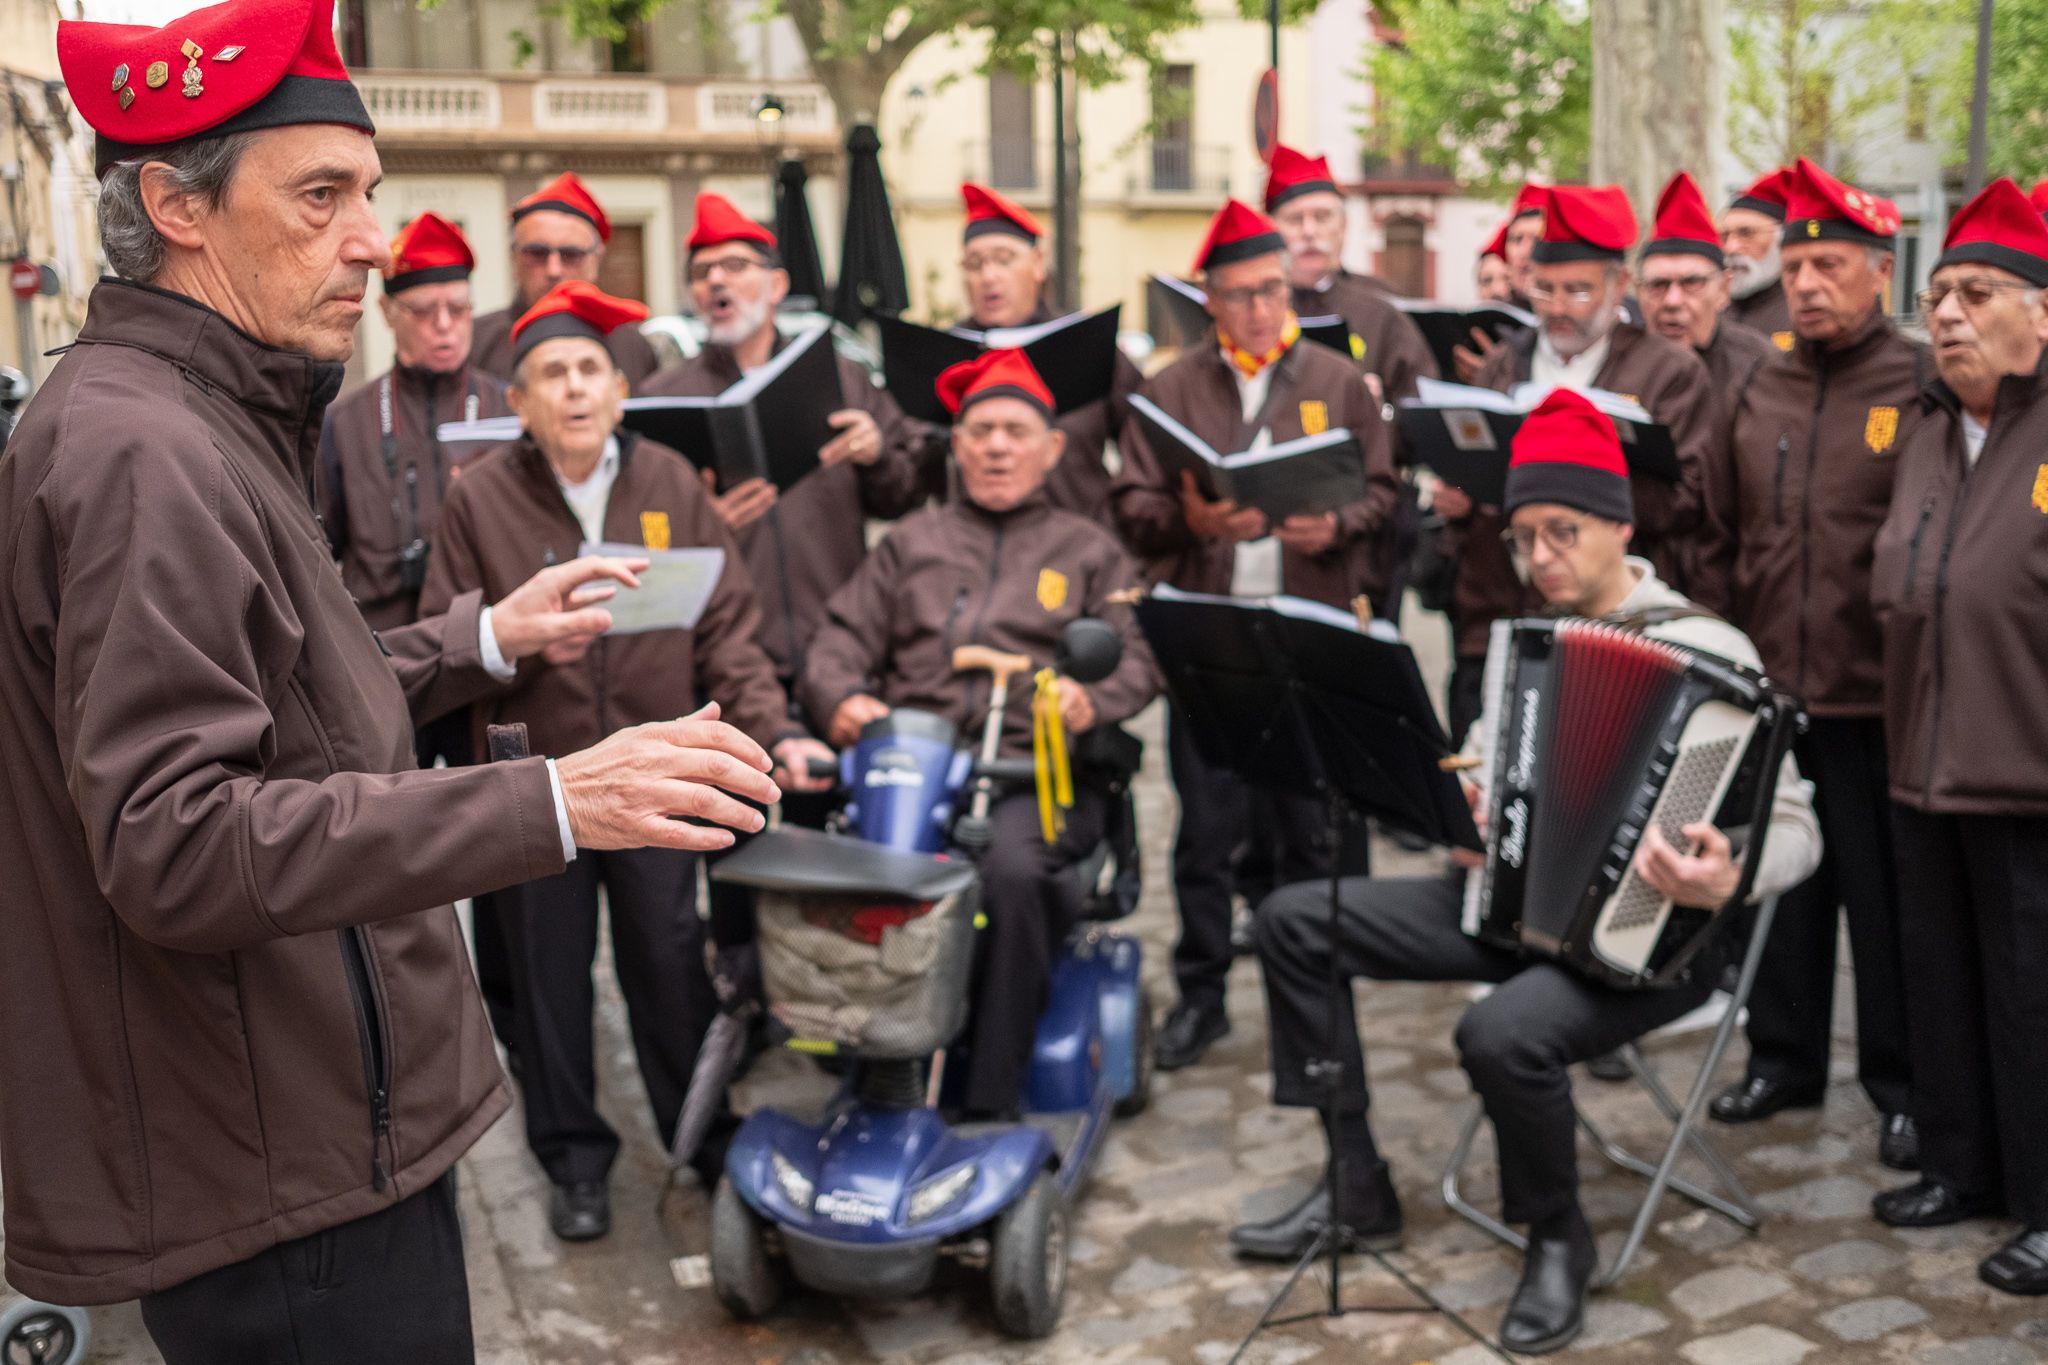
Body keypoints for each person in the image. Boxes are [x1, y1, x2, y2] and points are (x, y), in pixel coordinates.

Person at [5, 6, 782, 1360]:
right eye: (324, 196)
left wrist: (486, 638)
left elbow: (288, 694)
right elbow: (176, 840)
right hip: (275, 1154)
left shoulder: (194, 410)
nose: (374, 237)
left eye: (369, 193)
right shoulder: (143, 447)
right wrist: (550, 799)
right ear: (176, 207)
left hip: (297, 1121)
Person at [1231, 389, 1822, 1355]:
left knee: (1498, 1031)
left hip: (1650, 947)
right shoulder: (1522, 651)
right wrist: (1468, 813)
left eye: (1562, 533)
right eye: (1523, 538)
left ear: (1620, 527)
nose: (1540, 557)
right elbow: (1485, 780)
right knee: (1298, 917)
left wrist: (1730, 872)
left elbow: (1799, 828)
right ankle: (1355, 1182)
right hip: (1509, 910)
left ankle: (1558, 1235)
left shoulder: (1711, 651)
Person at [419, 280, 835, 1244]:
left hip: (655, 772)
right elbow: (445, 643)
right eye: (550, 374)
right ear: (517, 404)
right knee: (550, 978)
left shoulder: (670, 484)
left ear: (619, 391)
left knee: (667, 961)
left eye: (590, 370)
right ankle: (573, 1161)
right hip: (534, 784)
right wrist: (523, 647)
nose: (573, 388)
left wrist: (768, 730)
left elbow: (731, 626)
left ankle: (697, 1136)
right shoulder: (479, 499)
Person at [800, 349, 1160, 1117]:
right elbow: (837, 639)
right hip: (915, 767)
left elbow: (1139, 654)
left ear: (1053, 448)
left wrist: (1093, 701)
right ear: (956, 447)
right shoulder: (909, 542)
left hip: (1035, 774)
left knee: (1010, 875)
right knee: (850, 872)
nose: (997, 446)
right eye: (981, 430)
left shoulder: (1089, 549)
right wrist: (841, 700)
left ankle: (990, 1100)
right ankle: (871, 1067)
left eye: (1016, 431)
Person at [1112, 197, 1399, 1071]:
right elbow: (1131, 505)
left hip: (1306, 631)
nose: (1262, 310)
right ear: (1208, 299)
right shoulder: (1169, 389)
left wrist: (1338, 525)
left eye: (1273, 291)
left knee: (1307, 824)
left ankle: (1309, 993)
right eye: (1241, 295)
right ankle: (1201, 995)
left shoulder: (1337, 380)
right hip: (1211, 637)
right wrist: (1192, 519)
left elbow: (1385, 491)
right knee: (1206, 827)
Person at [1692, 157, 1924, 1170]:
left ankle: (1899, 1086)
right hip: (1770, 695)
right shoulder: (1756, 380)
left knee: (1882, 908)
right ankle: (1779, 1059)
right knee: (1775, 892)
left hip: (1873, 697)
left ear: (1880, 271)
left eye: (1829, 265)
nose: (1806, 285)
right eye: (1794, 268)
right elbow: (1721, 528)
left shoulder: (1913, 382)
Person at [1868, 177, 2048, 1294]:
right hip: (1920, 761)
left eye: (1974, 293)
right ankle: (1958, 1165)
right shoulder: (1928, 429)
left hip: (2028, 772)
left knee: (2033, 1001)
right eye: (1934, 294)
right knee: (1937, 980)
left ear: (2040, 309)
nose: (1943, 314)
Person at [317, 209, 525, 1058]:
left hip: (488, 668)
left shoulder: (510, 410)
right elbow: (319, 545)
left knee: (505, 858)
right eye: (424, 310)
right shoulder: (349, 419)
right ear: (391, 315)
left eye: (457, 310)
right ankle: (412, 1028)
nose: (444, 327)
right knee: (396, 857)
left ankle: (512, 1026)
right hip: (387, 671)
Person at [1437, 182, 1715, 745]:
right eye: (1544, 289)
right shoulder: (1503, 363)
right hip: (1500, 610)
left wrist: (1581, 491)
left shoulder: (1667, 372)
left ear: (1619, 288)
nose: (1558, 307)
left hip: (1617, 626)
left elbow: (1691, 497)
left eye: (1578, 291)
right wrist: (1461, 498)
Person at [641, 193, 924, 692]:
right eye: (702, 272)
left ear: (777, 286)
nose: (716, 281)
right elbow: (644, 544)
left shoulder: (842, 377)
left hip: (841, 647)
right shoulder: (662, 398)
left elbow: (903, 497)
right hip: (726, 663)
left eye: (734, 265)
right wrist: (705, 526)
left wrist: (876, 455)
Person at [909, 183, 1142, 520]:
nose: (988, 276)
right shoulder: (944, 356)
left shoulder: (1084, 345)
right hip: (974, 554)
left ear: (1037, 263)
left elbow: (1144, 456)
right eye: (974, 264)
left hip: (1081, 549)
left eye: (1004, 260)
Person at [1263, 144, 1437, 404]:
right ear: (1271, 229)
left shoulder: (1382, 307)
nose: (1309, 231)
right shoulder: (1254, 307)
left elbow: (1421, 405)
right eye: (1295, 219)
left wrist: (1377, 409)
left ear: (1343, 227)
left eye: (1322, 217)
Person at [468, 172, 661, 388]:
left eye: (571, 255)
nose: (554, 270)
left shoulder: (633, 347)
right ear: (514, 259)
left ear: (596, 261)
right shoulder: (475, 342)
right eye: (537, 253)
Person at [1722, 168, 1794, 348]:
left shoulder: (1805, 313)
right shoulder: (1711, 310)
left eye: (1746, 234)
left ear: (1783, 240)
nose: (1730, 248)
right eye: (1724, 236)